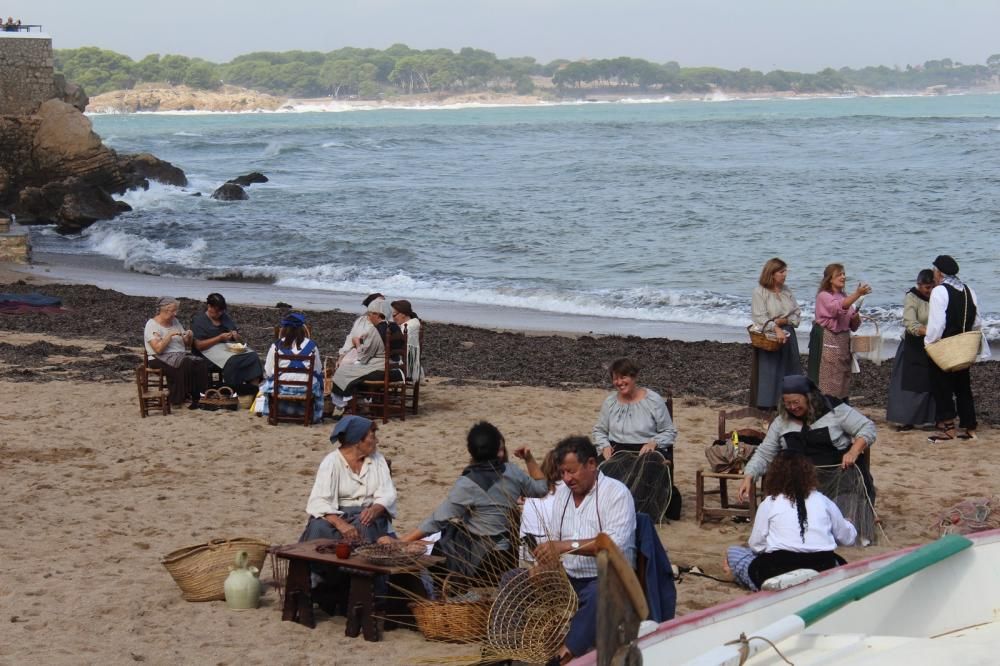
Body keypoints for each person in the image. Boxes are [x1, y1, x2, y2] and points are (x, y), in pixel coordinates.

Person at [383, 421, 550, 582]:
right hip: (506, 554)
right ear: (498, 448)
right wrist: (529, 459)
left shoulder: (469, 483)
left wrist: (401, 542)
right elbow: (541, 488)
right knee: (449, 533)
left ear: (471, 451)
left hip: (482, 558)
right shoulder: (513, 472)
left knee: (438, 544)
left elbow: (436, 520)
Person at [533, 436, 636, 664]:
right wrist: (542, 565)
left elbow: (612, 545)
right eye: (562, 473)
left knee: (601, 592)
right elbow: (555, 543)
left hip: (608, 578)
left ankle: (563, 656)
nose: (567, 479)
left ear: (591, 464)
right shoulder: (562, 494)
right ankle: (511, 649)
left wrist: (563, 546)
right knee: (515, 579)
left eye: (572, 471)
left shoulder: (616, 493)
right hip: (568, 579)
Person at [739, 375, 877, 542]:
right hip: (799, 482)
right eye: (787, 403)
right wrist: (749, 476)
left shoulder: (834, 411)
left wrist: (854, 451)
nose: (792, 407)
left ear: (809, 397)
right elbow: (764, 453)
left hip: (840, 477)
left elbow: (867, 427)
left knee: (844, 516)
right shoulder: (781, 421)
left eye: (796, 402)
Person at [725, 450, 856, 591]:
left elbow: (756, 546)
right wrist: (848, 524)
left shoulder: (770, 503)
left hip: (777, 573)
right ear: (809, 475)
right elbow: (848, 538)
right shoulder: (823, 501)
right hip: (822, 568)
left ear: (774, 476)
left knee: (733, 552)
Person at [299, 416, 396, 599]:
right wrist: (340, 523)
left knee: (364, 526)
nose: (376, 440)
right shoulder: (331, 462)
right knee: (318, 527)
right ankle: (319, 578)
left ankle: (362, 586)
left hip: (368, 514)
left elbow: (388, 493)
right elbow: (319, 500)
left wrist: (377, 507)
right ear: (358, 440)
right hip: (339, 515)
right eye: (372, 435)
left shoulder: (377, 460)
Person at [925, 255, 985, 442]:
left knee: (941, 386)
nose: (934, 274)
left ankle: (949, 427)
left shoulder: (939, 291)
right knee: (963, 387)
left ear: (939, 273)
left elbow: (937, 325)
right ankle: (970, 426)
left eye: (935, 270)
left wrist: (929, 342)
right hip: (963, 345)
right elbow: (977, 321)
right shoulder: (969, 291)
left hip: (945, 346)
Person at [807, 263, 872, 401]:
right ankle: (826, 407)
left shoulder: (843, 295)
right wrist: (857, 294)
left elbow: (853, 325)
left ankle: (841, 405)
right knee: (828, 376)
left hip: (843, 341)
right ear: (830, 279)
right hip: (828, 339)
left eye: (843, 274)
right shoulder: (823, 296)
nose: (843, 277)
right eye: (839, 274)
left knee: (843, 375)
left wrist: (856, 309)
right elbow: (836, 309)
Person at [592, 358, 677, 461]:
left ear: (634, 377)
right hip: (616, 452)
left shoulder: (653, 400)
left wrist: (654, 443)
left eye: (623, 377)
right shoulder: (610, 402)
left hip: (646, 452)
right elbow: (600, 431)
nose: (619, 382)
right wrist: (605, 446)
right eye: (615, 378)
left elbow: (669, 431)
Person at [885, 269, 936, 431]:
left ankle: (929, 419)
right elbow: (909, 322)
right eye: (927, 288)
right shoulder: (911, 297)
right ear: (919, 285)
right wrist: (927, 330)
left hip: (932, 344)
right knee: (909, 384)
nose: (930, 291)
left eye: (932, 287)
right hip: (912, 344)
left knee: (929, 382)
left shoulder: (938, 296)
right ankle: (905, 419)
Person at [750, 257, 803, 409]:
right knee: (770, 373)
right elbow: (760, 317)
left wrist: (784, 322)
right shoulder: (759, 292)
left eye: (785, 271)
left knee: (790, 371)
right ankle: (767, 408)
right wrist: (776, 328)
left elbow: (796, 314)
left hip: (788, 335)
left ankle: (790, 406)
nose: (785, 274)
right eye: (781, 271)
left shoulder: (786, 291)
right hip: (769, 337)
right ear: (772, 273)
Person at [329, 298, 399, 408]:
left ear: (377, 314)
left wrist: (357, 343)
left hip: (381, 369)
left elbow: (364, 356)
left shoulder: (377, 330)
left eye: (370, 314)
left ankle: (343, 404)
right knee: (350, 368)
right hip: (396, 367)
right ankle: (363, 398)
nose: (369, 317)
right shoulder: (395, 328)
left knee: (343, 370)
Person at [257, 312, 324, 423]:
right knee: (317, 383)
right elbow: (317, 369)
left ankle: (277, 411)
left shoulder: (276, 346)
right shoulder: (312, 346)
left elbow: (268, 371)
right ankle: (309, 414)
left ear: (284, 329)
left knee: (268, 383)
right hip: (305, 389)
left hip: (281, 387)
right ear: (302, 328)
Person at [143, 296, 209, 409]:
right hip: (159, 357)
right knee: (186, 364)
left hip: (179, 354)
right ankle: (178, 398)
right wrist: (169, 335)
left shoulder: (175, 321)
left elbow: (186, 343)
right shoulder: (152, 325)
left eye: (175, 310)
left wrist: (189, 336)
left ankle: (199, 396)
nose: (175, 313)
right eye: (173, 311)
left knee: (200, 362)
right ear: (164, 310)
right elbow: (158, 349)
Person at [191, 292, 263, 394]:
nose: (219, 313)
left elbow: (237, 337)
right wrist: (219, 338)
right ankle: (232, 389)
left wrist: (235, 336)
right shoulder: (199, 320)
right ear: (209, 307)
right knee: (233, 361)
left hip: (226, 347)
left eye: (221, 311)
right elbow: (199, 346)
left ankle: (252, 389)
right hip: (207, 350)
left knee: (252, 355)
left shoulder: (224, 317)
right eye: (217, 311)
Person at [335, 293, 383, 369]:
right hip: (357, 354)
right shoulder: (361, 320)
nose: (382, 305)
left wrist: (357, 343)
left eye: (383, 302)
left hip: (372, 358)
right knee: (342, 366)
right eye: (379, 303)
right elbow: (350, 339)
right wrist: (341, 356)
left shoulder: (385, 324)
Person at [390, 299, 425, 382]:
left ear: (403, 314)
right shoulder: (413, 324)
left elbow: (396, 347)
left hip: (407, 370)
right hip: (411, 368)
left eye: (394, 315)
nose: (393, 318)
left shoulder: (408, 328)